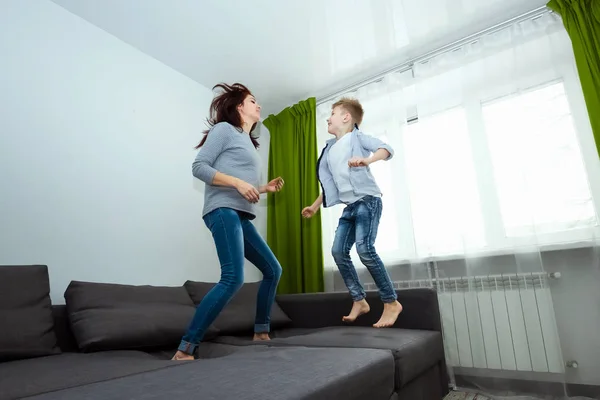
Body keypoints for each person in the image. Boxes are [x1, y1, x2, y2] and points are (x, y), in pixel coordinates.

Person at [173, 83, 285, 361]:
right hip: (222, 210)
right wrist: (237, 182)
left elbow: (242, 186)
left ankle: (261, 331)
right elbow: (199, 167)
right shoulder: (224, 130)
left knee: (273, 269)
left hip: (240, 213)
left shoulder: (249, 142)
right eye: (252, 101)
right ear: (239, 107)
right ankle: (186, 348)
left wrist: (262, 189)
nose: (258, 105)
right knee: (233, 277)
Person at [302, 98, 402, 328]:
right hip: (350, 207)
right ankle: (359, 300)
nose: (328, 117)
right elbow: (331, 185)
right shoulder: (329, 149)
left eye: (333, 113)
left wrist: (366, 160)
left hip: (368, 201)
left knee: (364, 249)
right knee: (338, 251)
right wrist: (315, 206)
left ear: (346, 117)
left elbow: (386, 149)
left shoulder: (357, 138)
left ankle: (391, 302)